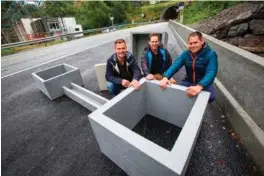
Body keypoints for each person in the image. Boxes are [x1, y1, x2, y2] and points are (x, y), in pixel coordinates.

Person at [160, 31, 218, 102]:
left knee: (211, 97)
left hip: (203, 82)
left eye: (195, 42)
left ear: (202, 41)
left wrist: (199, 86)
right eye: (190, 43)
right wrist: (166, 77)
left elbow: (211, 72)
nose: (193, 46)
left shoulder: (211, 54)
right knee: (179, 94)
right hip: (189, 81)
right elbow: (175, 65)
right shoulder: (185, 54)